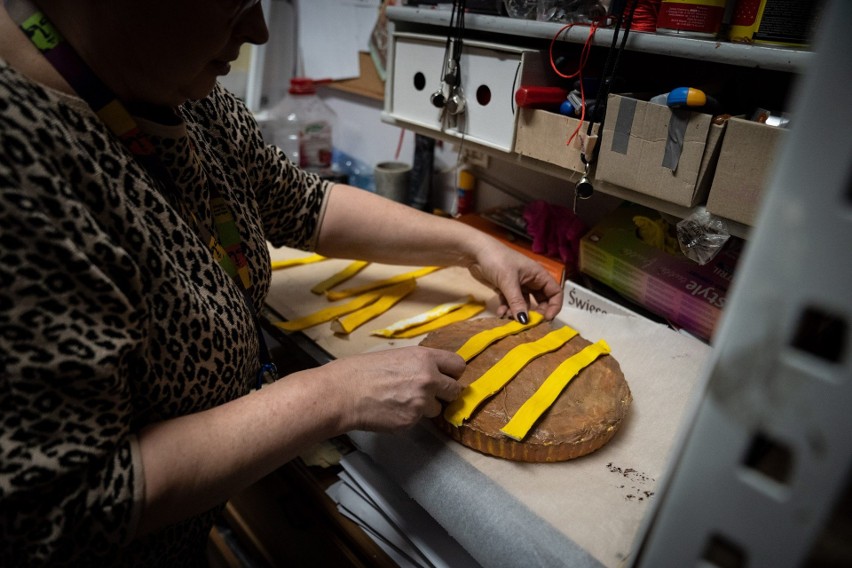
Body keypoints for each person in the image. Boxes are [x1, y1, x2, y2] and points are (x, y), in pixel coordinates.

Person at [0, 0, 564, 565]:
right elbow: (70, 504)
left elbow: (304, 205)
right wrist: (331, 395)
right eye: (234, 4)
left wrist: (471, 246)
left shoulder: (172, 88)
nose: (258, 29)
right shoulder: (21, 164)